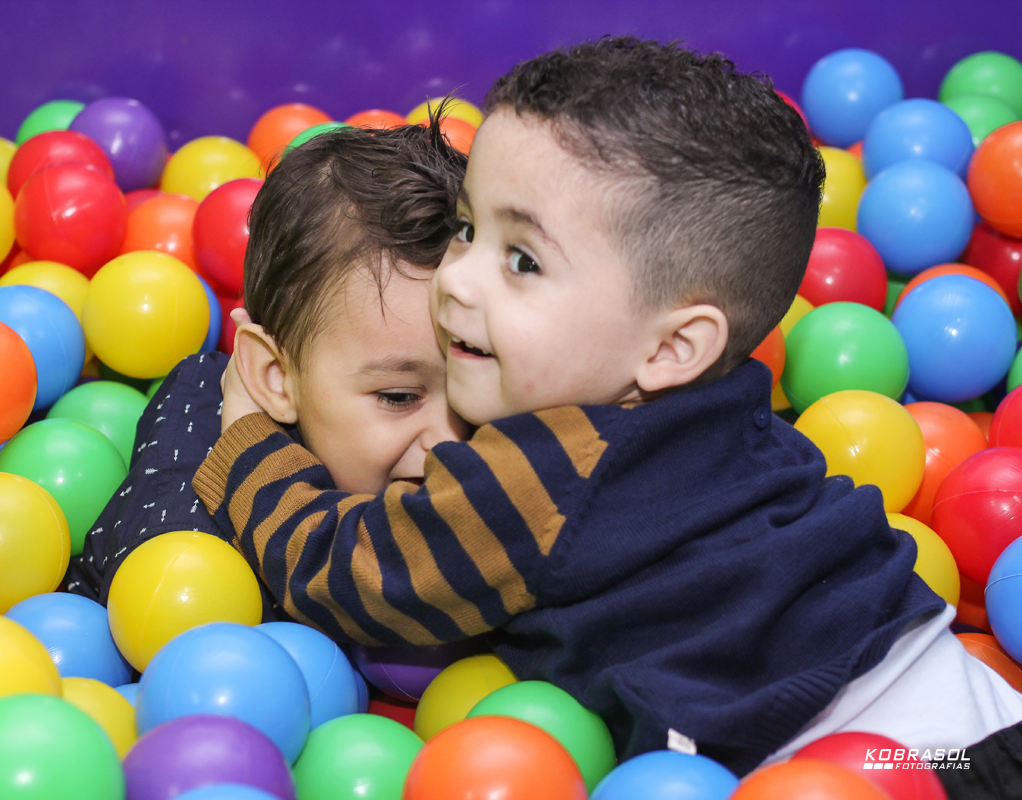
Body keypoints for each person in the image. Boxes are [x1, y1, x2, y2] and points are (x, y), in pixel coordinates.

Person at [192, 36, 1022, 781]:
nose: (457, 278)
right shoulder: (722, 401)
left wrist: (248, 442)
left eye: (520, 259)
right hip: (965, 702)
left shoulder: (549, 472)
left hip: (878, 760)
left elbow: (347, 570)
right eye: (468, 227)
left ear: (669, 349)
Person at [63, 118, 468, 603]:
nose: (452, 440)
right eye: (399, 397)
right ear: (277, 378)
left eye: (477, 381)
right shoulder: (189, 537)